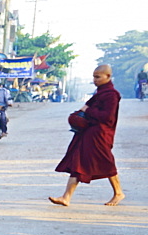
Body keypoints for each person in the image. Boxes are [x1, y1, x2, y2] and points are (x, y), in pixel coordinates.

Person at [49, 64, 124, 207]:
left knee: (106, 162)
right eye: (94, 77)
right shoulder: (99, 93)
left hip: (101, 134)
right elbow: (84, 108)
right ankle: (66, 197)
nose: (95, 80)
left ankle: (119, 192)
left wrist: (88, 111)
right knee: (78, 162)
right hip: (88, 133)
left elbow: (108, 117)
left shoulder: (111, 95)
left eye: (98, 77)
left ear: (108, 77)